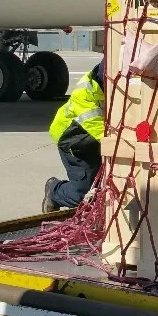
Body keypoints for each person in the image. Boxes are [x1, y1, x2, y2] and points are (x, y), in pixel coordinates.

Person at [43, 60, 104, 211]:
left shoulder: (109, 91)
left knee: (100, 187)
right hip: (73, 142)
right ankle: (54, 190)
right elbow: (102, 134)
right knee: (84, 195)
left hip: (90, 141)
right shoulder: (85, 95)